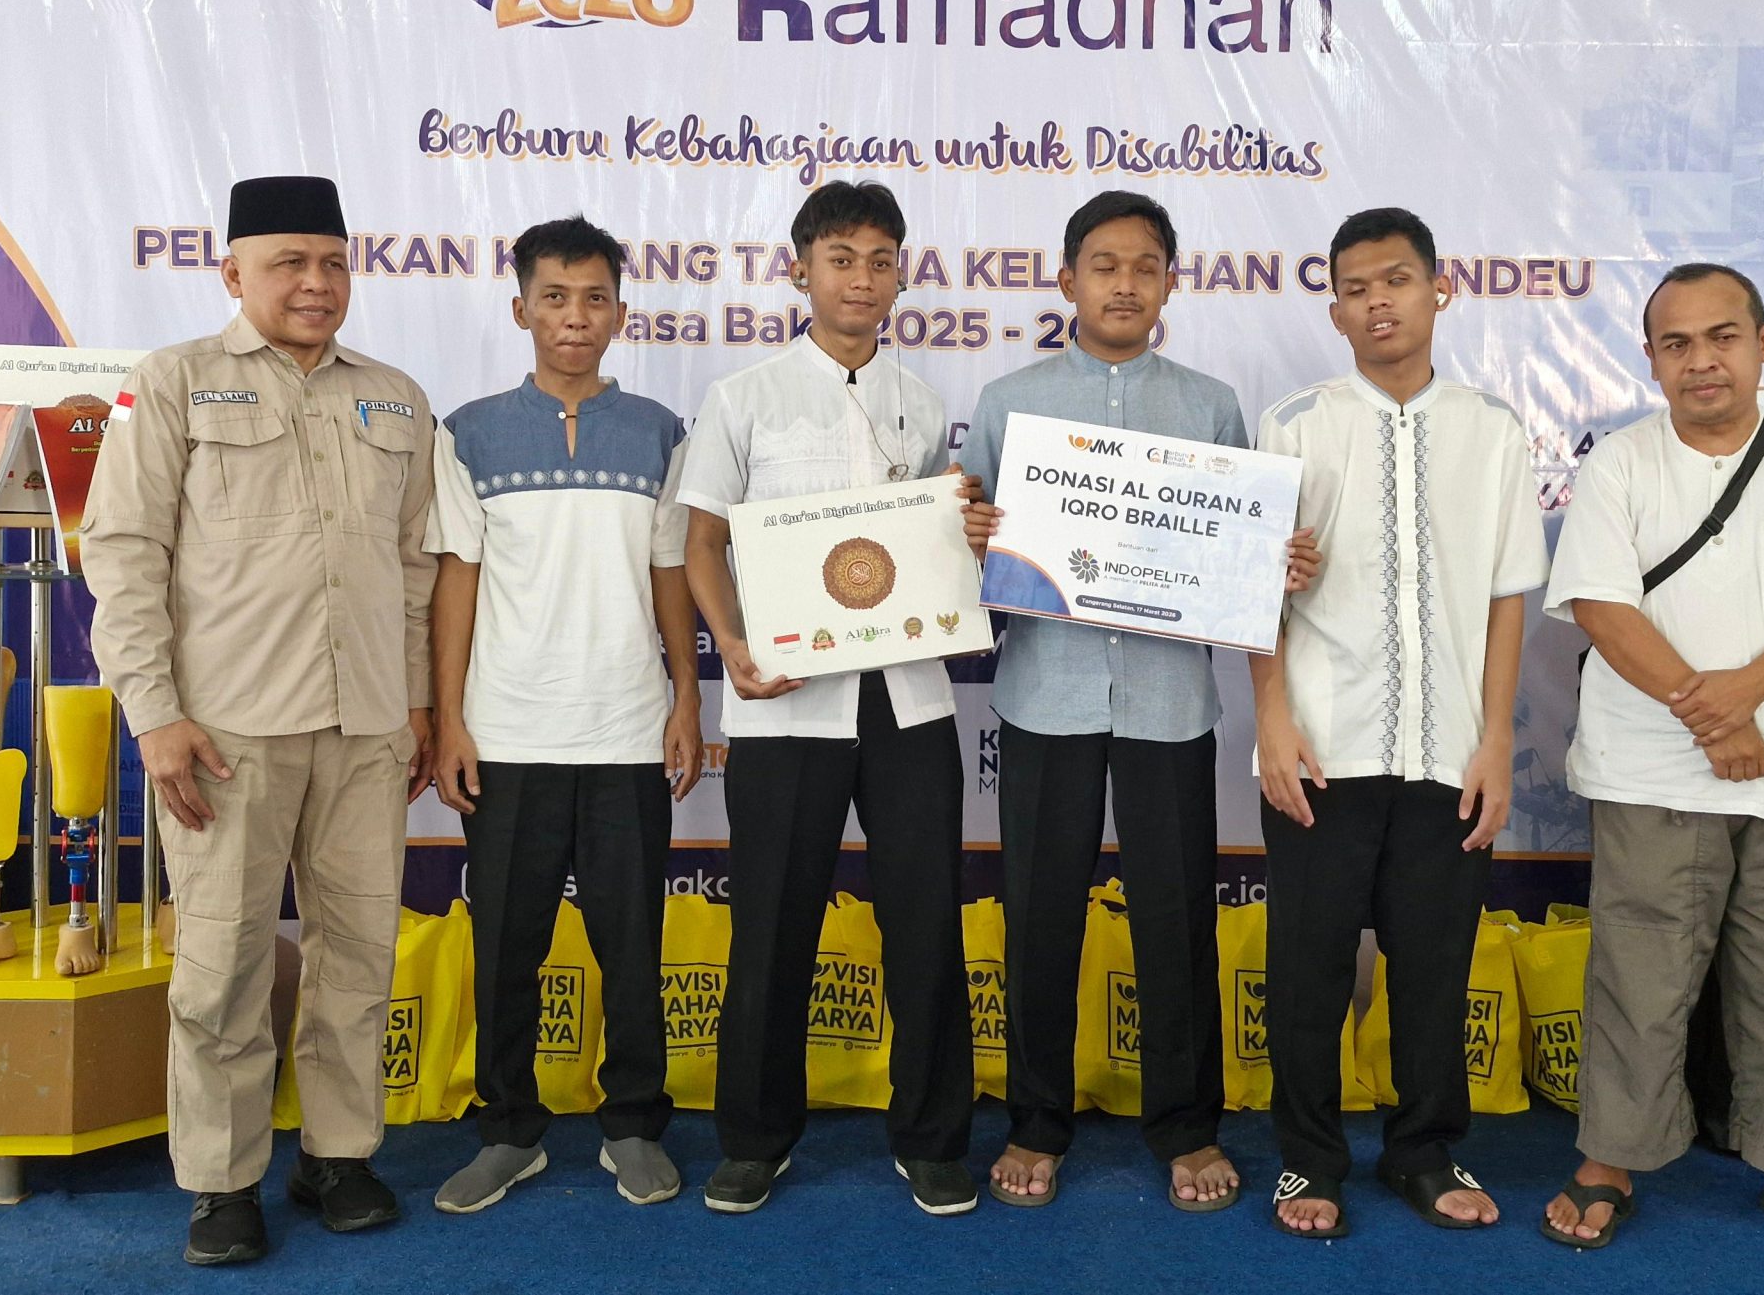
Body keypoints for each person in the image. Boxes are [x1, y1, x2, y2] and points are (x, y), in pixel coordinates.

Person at [81, 175, 437, 1266]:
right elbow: (123, 553)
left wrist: (416, 701)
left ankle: (337, 1153)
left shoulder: (395, 397)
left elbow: (416, 568)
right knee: (224, 963)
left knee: (359, 954)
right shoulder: (174, 382)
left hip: (367, 727)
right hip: (224, 734)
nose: (315, 283)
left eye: (332, 262)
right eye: (289, 262)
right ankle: (221, 1179)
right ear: (233, 273)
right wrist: (154, 713)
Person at [956, 191, 1320, 1214]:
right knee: (1040, 917)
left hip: (1168, 704)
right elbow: (968, 564)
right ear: (1066, 279)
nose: (1124, 284)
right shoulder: (1009, 402)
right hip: (1046, 696)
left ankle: (1187, 1126)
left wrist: (1273, 559)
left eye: (1145, 266)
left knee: (1175, 917)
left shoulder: (1210, 407)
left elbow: (1236, 561)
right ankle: (1036, 1121)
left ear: (1170, 283)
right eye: (1104, 265)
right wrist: (970, 535)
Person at [1538, 262, 1764, 1260]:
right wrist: (1711, 716)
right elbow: (1603, 606)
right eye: (1677, 343)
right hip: (1647, 767)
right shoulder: (1620, 463)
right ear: (1651, 358)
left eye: (1723, 336)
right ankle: (1609, 1158)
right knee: (1640, 968)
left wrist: (1740, 697)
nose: (1702, 360)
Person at [678, 180, 979, 1217]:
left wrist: (966, 529)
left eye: (881, 260)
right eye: (842, 258)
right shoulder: (745, 397)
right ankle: (754, 1139)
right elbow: (701, 542)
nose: (862, 278)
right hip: (785, 702)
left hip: (909, 704)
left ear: (902, 275)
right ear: (800, 269)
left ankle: (933, 1138)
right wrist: (732, 646)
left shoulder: (922, 403)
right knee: (771, 923)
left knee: (925, 923)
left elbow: (934, 553)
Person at [1251, 207, 1547, 1240]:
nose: (1378, 301)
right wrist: (1271, 720)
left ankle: (1424, 1150)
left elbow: (1508, 595)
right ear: (1333, 309)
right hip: (1321, 746)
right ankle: (1308, 1159)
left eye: (1397, 279)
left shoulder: (1493, 429)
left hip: (1448, 750)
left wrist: (1496, 740)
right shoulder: (1293, 423)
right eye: (1356, 287)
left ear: (1438, 289)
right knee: (1309, 970)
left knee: (1433, 968)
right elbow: (1253, 586)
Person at [424, 217, 702, 1215]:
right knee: (507, 947)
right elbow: (456, 581)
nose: (575, 317)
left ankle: (633, 1125)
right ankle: (509, 1131)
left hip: (627, 729)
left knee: (631, 947)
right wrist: (450, 720)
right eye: (555, 297)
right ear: (521, 309)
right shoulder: (468, 433)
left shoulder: (661, 433)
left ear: (620, 314)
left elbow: (671, 574)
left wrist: (686, 695)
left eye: (594, 299)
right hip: (506, 732)